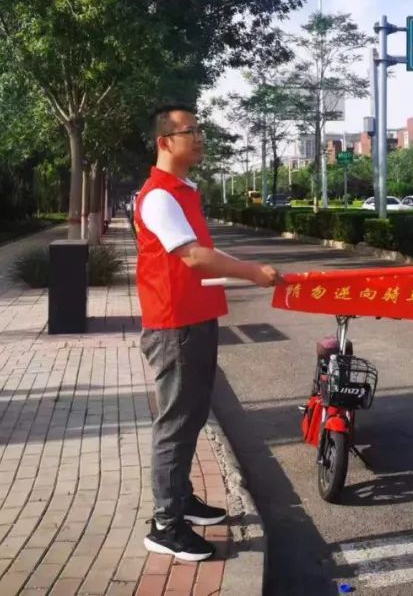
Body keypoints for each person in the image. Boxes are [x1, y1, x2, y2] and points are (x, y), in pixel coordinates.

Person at [136, 104, 280, 562]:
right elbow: (194, 256)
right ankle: (165, 524)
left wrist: (246, 269)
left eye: (200, 130)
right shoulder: (160, 196)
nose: (199, 138)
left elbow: (201, 253)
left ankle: (181, 500)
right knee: (176, 423)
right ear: (165, 141)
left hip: (195, 319)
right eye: (190, 131)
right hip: (175, 324)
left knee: (193, 415)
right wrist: (252, 271)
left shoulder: (183, 193)